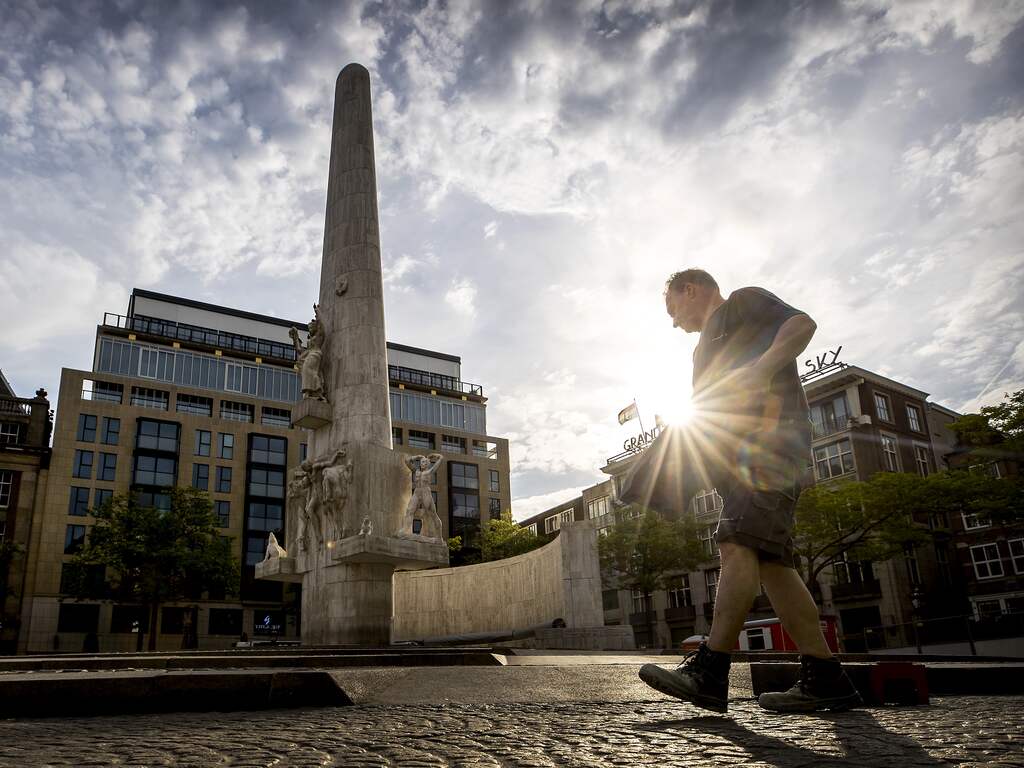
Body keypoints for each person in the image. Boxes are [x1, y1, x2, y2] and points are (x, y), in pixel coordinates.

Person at [638, 269, 861, 714]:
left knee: (736, 542)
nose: (673, 321)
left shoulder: (742, 302)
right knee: (774, 564)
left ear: (691, 289)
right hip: (745, 458)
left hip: (772, 448)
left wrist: (762, 367)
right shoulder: (701, 350)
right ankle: (826, 678)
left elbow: (802, 325)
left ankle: (710, 670)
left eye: (672, 308)